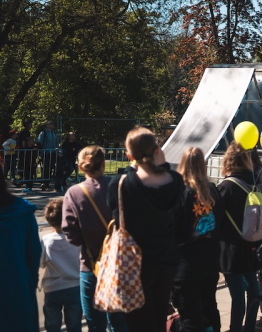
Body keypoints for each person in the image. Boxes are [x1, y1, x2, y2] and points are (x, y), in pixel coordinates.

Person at [108, 127, 184, 331]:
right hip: (166, 260)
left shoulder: (121, 184)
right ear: (157, 150)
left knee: (138, 323)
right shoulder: (176, 181)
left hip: (135, 264)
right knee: (160, 317)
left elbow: (116, 218)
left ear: (129, 155)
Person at [62, 145, 127, 332]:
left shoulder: (74, 193)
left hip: (91, 263)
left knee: (95, 322)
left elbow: (70, 232)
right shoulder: (119, 186)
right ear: (104, 164)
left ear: (80, 166)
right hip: (120, 262)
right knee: (119, 321)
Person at [174, 147, 223, 332]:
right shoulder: (213, 191)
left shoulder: (180, 192)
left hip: (185, 263)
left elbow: (173, 226)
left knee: (190, 316)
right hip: (209, 259)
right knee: (210, 308)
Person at [218, 142, 261, 332]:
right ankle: (249, 327)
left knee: (237, 295)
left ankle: (235, 328)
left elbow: (216, 218)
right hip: (251, 243)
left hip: (230, 247)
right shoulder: (253, 184)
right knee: (253, 289)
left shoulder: (225, 187)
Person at [0, 169, 41, 331]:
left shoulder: (23, 211)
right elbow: (34, 254)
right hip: (17, 287)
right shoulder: (22, 212)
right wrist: (30, 284)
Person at [40, 198, 82, 332]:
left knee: (52, 325)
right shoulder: (76, 238)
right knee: (74, 325)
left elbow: (41, 263)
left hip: (52, 288)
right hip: (75, 286)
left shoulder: (46, 240)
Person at [37, 120, 59, 191]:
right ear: (46, 125)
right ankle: (43, 183)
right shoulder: (43, 133)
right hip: (46, 152)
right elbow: (39, 142)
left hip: (53, 152)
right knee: (46, 168)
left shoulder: (54, 133)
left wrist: (57, 150)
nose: (51, 125)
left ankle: (47, 183)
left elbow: (56, 143)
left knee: (51, 167)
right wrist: (41, 152)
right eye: (49, 124)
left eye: (52, 123)